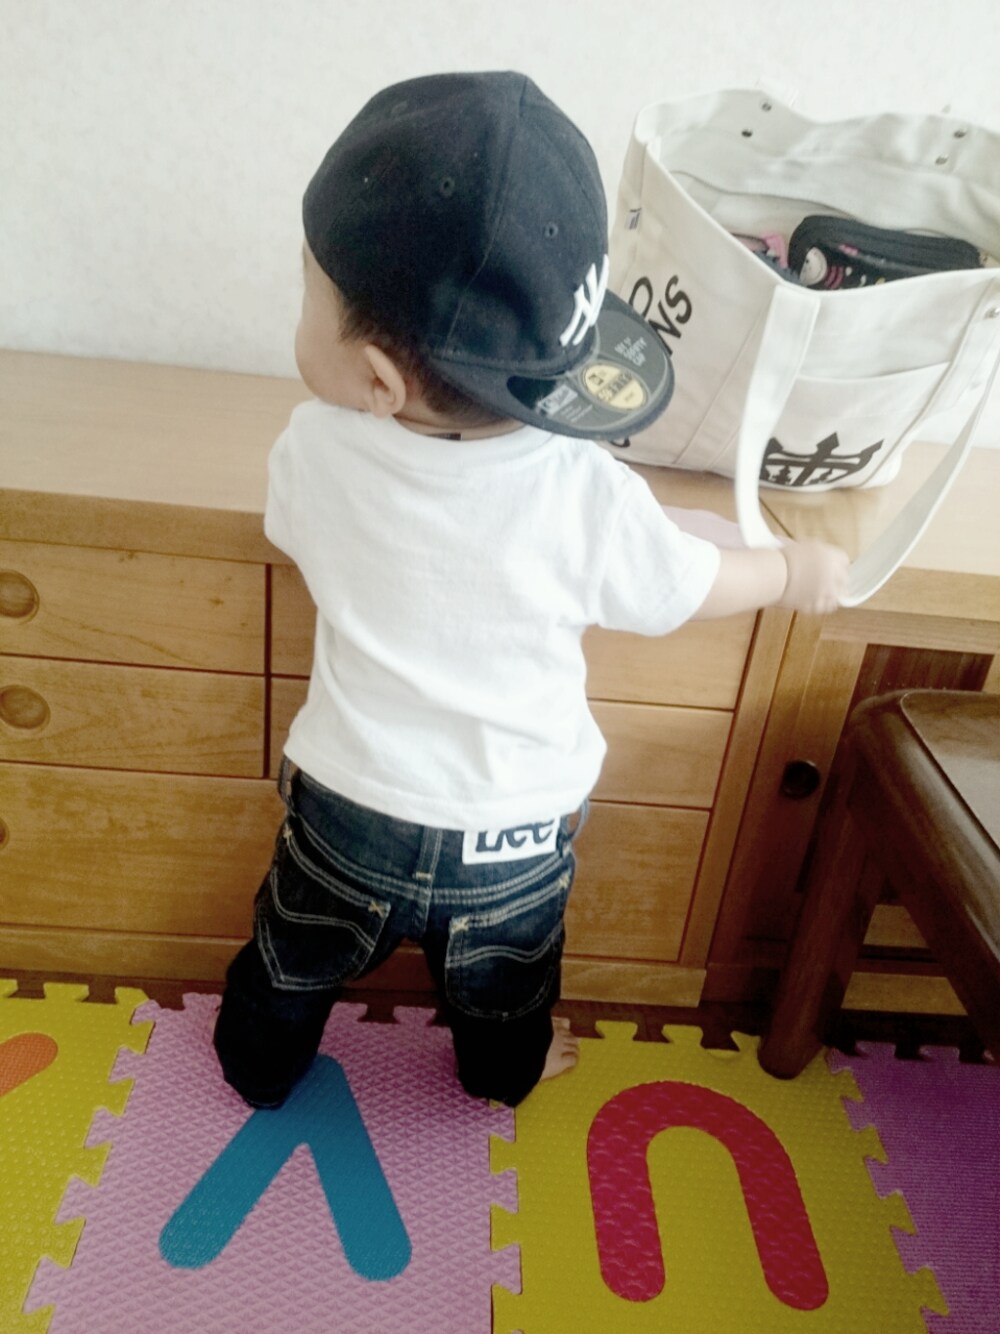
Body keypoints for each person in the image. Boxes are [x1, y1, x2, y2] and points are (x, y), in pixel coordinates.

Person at [213, 71, 848, 1111]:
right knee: (506, 987)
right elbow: (684, 585)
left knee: (291, 957)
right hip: (509, 835)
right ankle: (504, 1073)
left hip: (346, 809)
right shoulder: (588, 491)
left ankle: (256, 1065)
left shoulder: (315, 450)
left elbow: (296, 529)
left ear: (378, 381)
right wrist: (789, 570)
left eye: (305, 295)